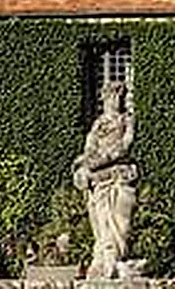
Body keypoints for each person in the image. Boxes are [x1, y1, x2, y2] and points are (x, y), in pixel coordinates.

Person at [73, 80, 139, 278]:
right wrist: (83, 164)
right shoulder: (98, 124)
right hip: (100, 181)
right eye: (112, 96)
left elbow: (125, 146)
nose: (115, 100)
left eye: (119, 96)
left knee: (121, 222)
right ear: (105, 99)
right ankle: (104, 259)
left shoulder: (127, 120)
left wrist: (98, 161)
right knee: (101, 222)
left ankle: (117, 258)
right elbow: (89, 148)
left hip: (120, 176)